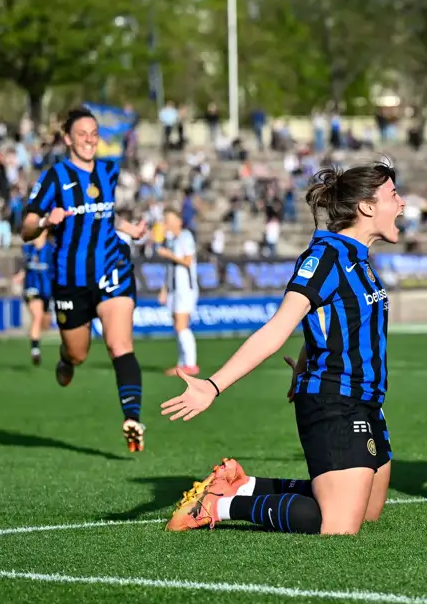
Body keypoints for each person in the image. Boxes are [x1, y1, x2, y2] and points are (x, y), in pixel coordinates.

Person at [163, 162, 404, 536]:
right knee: (336, 526)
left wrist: (306, 359)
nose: (402, 204)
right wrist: (213, 386)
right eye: (393, 195)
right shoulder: (325, 258)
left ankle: (244, 485)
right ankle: (220, 505)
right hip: (333, 398)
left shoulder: (360, 260)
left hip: (368, 398)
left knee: (368, 511)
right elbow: (277, 328)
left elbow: (332, 323)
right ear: (367, 207)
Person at [21, 107, 149, 452]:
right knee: (78, 354)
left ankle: (132, 418)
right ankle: (67, 358)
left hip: (112, 270)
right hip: (70, 280)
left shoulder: (108, 170)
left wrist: (129, 228)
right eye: (82, 134)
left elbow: (104, 217)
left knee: (119, 345)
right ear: (68, 139)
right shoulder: (54, 177)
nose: (90, 139)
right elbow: (26, 227)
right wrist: (47, 221)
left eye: (94, 133)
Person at [157, 208, 199, 376]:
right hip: (175, 288)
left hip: (185, 288)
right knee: (178, 325)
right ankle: (182, 364)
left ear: (178, 221)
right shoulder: (171, 240)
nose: (165, 222)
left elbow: (188, 261)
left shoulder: (185, 237)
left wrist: (169, 255)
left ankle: (190, 364)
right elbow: (170, 269)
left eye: (169, 219)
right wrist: (164, 290)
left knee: (182, 325)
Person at [14, 231, 54, 366]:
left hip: (47, 290)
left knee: (45, 322)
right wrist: (20, 275)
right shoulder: (28, 249)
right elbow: (24, 266)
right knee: (37, 316)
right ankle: (35, 351)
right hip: (31, 287)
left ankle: (36, 341)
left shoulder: (51, 250)